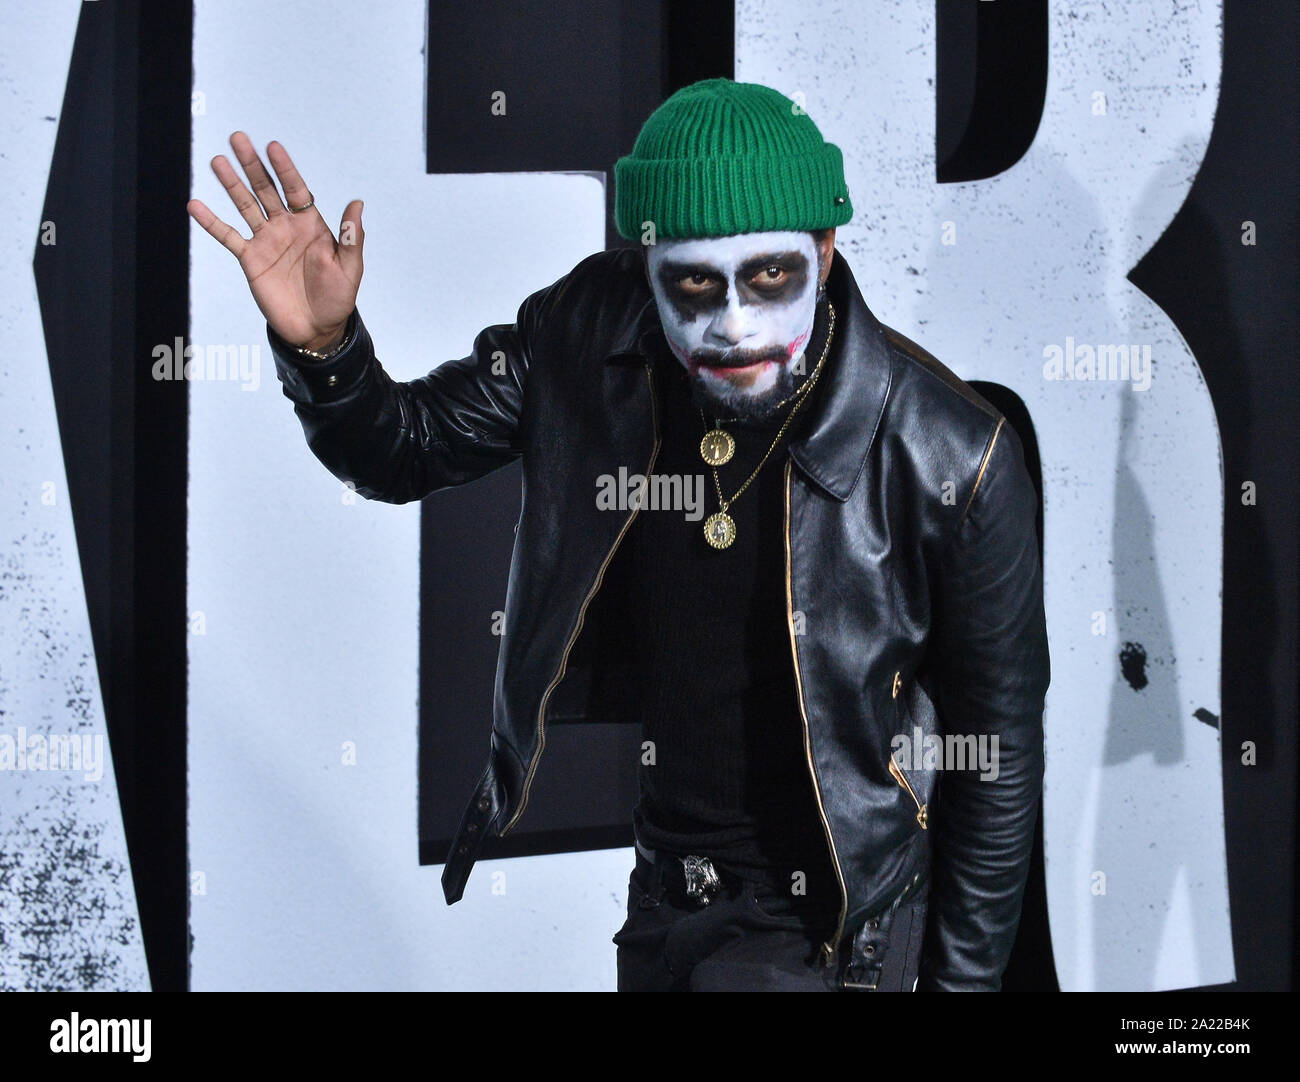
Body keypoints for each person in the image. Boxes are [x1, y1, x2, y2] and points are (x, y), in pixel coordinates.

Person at [187, 77, 1050, 992]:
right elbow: (407, 450)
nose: (733, 324)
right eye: (692, 283)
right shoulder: (585, 329)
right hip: (663, 903)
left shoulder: (950, 452)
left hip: (825, 935)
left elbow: (996, 756)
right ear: (647, 267)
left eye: (770, 276)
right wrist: (328, 350)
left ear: (826, 250)